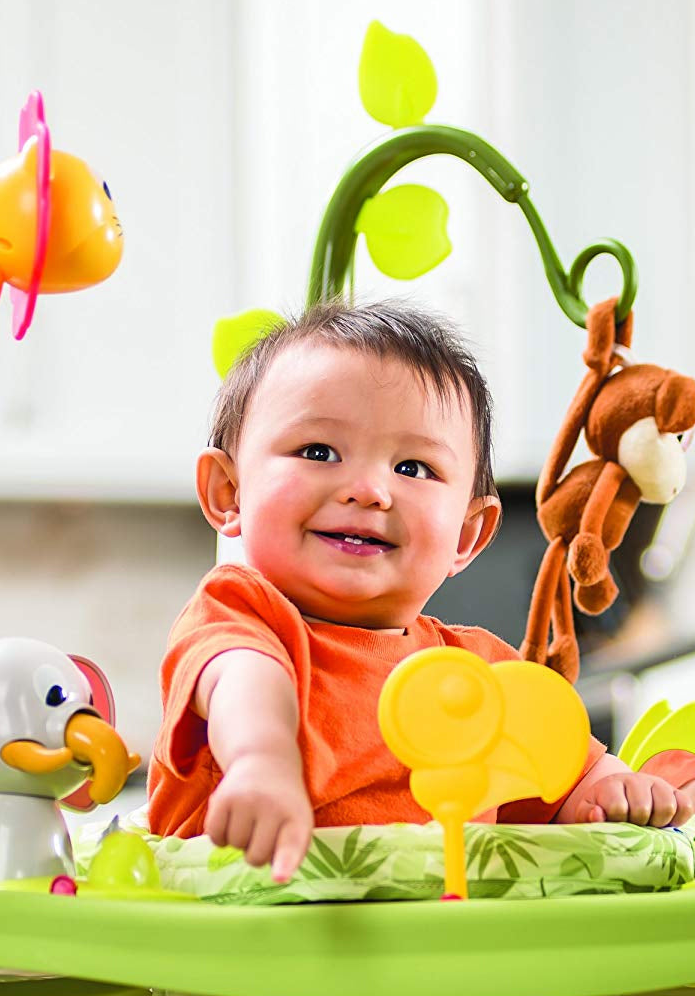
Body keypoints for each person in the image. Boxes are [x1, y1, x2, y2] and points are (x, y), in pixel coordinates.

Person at [147, 299, 695, 883]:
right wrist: (260, 762)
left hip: (436, 956)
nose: (368, 490)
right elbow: (244, 681)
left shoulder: (481, 672)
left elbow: (562, 777)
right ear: (229, 492)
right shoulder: (240, 612)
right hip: (249, 944)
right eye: (317, 452)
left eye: (412, 468)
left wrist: (617, 792)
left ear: (466, 533)